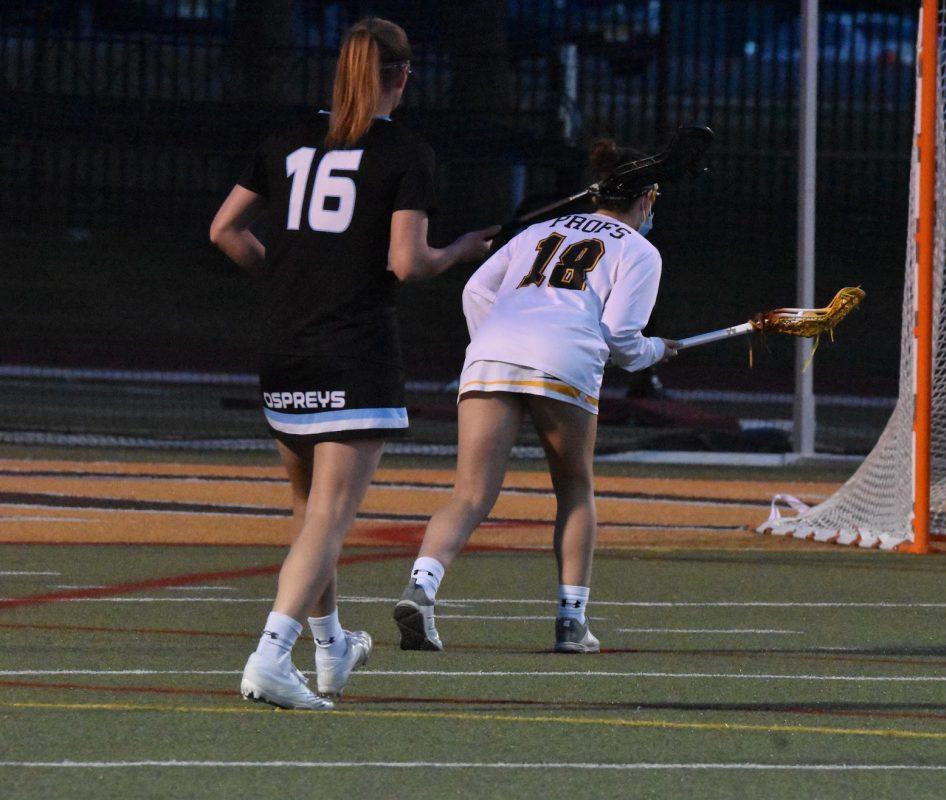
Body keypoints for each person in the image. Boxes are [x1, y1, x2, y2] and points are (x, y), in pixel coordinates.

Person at [209, 17, 497, 708]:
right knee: (331, 517)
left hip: (284, 348)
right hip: (352, 348)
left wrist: (283, 274)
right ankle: (271, 654)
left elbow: (224, 229)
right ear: (402, 76)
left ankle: (332, 648)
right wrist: (459, 251)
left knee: (311, 511)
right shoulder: (404, 151)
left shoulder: (284, 141)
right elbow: (407, 261)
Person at [391, 139, 679, 654]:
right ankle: (571, 622)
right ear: (647, 199)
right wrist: (659, 350)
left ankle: (422, 587)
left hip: (493, 352)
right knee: (574, 488)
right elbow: (621, 339)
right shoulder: (640, 251)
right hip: (563, 358)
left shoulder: (540, 230)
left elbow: (475, 291)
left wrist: (494, 347)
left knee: (471, 494)